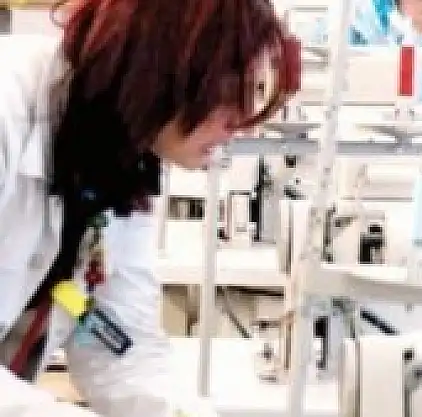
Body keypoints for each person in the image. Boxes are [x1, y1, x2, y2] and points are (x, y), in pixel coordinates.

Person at [0, 0, 299, 415]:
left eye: (256, 94)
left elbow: (120, 348)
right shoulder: (8, 113)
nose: (241, 124)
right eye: (229, 94)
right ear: (161, 67)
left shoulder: (120, 157)